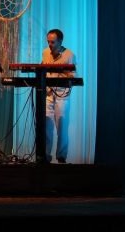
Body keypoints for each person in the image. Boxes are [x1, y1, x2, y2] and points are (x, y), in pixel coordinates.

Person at [42, 28, 76, 164]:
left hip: (62, 94)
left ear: (60, 41)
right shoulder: (45, 53)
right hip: (49, 94)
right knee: (46, 126)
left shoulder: (69, 54)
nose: (50, 45)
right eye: (48, 42)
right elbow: (42, 69)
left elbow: (73, 76)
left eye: (53, 42)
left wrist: (61, 70)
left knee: (62, 126)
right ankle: (45, 156)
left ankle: (61, 157)